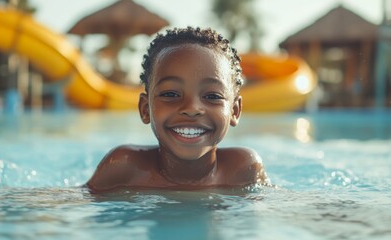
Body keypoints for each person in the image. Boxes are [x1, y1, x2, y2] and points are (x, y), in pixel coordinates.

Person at [85, 27, 269, 193]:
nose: (191, 109)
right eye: (171, 94)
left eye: (212, 96)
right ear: (145, 109)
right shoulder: (124, 167)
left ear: (235, 111)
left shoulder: (242, 169)